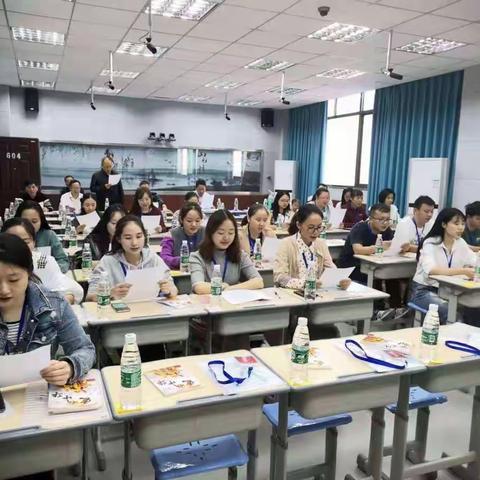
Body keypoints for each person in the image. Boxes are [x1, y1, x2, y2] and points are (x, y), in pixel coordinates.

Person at [0, 232, 95, 384]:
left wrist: (69, 366)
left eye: (13, 280)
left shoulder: (53, 305)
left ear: (29, 273)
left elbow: (85, 348)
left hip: (39, 395)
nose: (4, 290)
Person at [411, 208, 478, 324]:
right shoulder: (430, 243)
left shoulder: (460, 243)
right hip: (424, 291)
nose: (461, 227)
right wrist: (463, 271)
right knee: (454, 315)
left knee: (474, 311)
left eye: (462, 223)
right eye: (456, 223)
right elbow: (431, 270)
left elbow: (475, 261)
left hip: (450, 291)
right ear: (443, 224)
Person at [86, 215, 177, 301]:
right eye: (128, 238)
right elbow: (90, 296)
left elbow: (173, 289)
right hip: (119, 315)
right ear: (118, 239)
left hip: (149, 311)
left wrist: (169, 291)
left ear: (144, 236)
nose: (134, 242)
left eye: (139, 236)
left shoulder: (153, 258)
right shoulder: (108, 261)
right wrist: (109, 294)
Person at [2, 218, 83, 304]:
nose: (19, 247)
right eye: (12, 242)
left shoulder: (43, 262)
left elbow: (70, 291)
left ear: (34, 242)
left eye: (25, 242)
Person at [274, 204, 350, 290]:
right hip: (292, 294)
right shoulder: (286, 244)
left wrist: (340, 279)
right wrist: (304, 283)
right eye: (311, 227)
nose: (315, 232)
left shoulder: (320, 244)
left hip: (316, 293)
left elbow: (331, 268)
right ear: (299, 225)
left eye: (319, 227)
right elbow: (279, 277)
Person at [189, 209, 263, 294]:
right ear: (210, 233)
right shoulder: (197, 257)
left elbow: (258, 281)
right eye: (221, 233)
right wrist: (224, 287)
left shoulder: (240, 255)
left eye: (231, 233)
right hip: (207, 304)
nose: (226, 238)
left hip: (233, 303)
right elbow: (199, 287)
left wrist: (230, 289)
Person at [15, 201, 69, 273]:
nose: (30, 226)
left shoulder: (49, 235)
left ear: (41, 221)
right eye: (25, 222)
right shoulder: (12, 236)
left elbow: (63, 261)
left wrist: (50, 270)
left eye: (34, 221)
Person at [161, 204, 205, 270]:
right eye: (189, 221)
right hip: (178, 275)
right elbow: (164, 258)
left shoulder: (206, 233)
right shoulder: (172, 235)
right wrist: (184, 260)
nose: (194, 224)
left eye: (197, 221)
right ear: (181, 220)